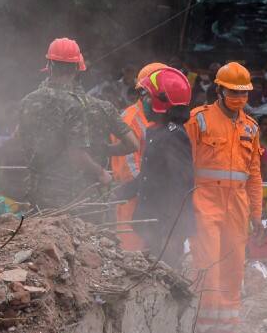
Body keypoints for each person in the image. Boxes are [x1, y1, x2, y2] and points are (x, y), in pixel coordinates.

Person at [185, 62, 264, 333]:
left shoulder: (251, 128)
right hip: (205, 201)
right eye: (233, 92)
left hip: (237, 205)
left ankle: (228, 327)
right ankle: (204, 327)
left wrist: (257, 214)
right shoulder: (200, 119)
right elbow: (185, 164)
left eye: (244, 93)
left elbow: (254, 174)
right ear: (219, 90)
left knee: (233, 265)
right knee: (208, 264)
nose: (239, 98)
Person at [18, 38, 137, 210]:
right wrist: (101, 172)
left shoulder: (27, 101)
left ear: (49, 65)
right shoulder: (75, 105)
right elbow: (76, 154)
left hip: (36, 190)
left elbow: (22, 141)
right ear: (76, 69)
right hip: (70, 195)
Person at [119, 67, 194, 268]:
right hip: (153, 223)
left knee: (168, 276)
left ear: (162, 101)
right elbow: (149, 176)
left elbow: (181, 187)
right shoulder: (157, 132)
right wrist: (119, 193)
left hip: (165, 227)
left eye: (146, 95)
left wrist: (172, 235)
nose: (142, 101)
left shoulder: (173, 135)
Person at [111, 62, 167, 248]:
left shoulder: (162, 117)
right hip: (133, 198)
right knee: (132, 254)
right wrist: (150, 188)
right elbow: (128, 167)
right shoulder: (131, 119)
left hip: (153, 197)